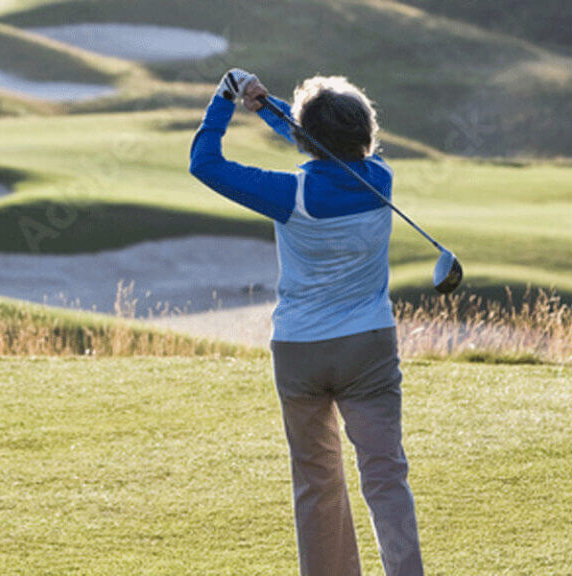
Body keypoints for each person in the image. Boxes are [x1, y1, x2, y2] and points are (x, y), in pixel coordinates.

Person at [190, 70, 424, 576]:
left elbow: (204, 163)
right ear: (366, 134)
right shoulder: (379, 179)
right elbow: (326, 147)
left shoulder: (287, 194)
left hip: (300, 353)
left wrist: (226, 99)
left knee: (317, 483)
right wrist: (270, 108)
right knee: (385, 477)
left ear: (307, 137)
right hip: (369, 348)